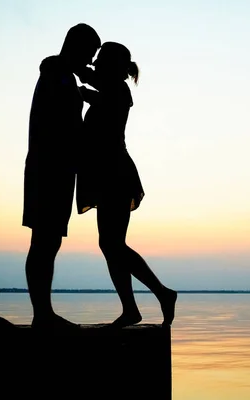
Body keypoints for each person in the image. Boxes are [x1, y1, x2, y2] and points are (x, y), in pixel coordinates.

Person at [76, 42, 177, 328]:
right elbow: (91, 89)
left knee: (112, 243)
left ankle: (161, 294)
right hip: (105, 175)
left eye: (99, 60)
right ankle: (134, 307)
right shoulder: (109, 91)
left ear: (111, 65)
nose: (94, 63)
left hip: (116, 175)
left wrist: (68, 68)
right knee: (110, 244)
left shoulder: (118, 91)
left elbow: (91, 83)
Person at [22, 23, 101, 330]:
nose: (91, 62)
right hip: (49, 169)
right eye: (90, 54)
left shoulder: (62, 76)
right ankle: (42, 314)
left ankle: (44, 312)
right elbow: (63, 126)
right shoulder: (57, 77)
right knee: (44, 239)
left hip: (57, 169)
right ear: (78, 48)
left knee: (48, 240)